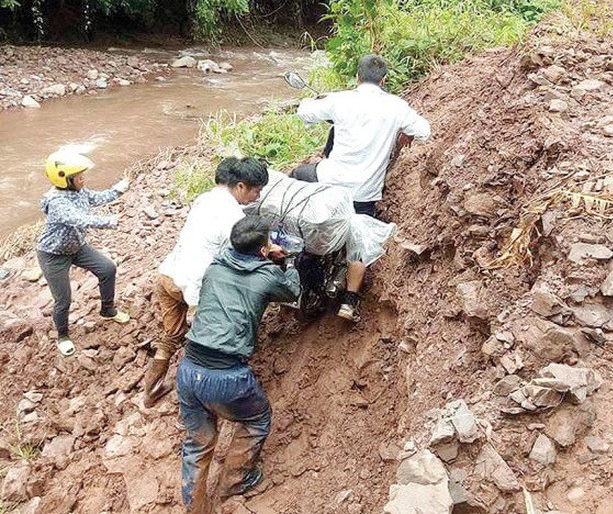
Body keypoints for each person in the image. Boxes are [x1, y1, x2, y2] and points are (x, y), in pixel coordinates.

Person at [291, 53, 430, 321]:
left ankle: (288, 245)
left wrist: (318, 101)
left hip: (329, 181)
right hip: (364, 191)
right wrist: (406, 133)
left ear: (357, 77)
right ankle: (350, 301)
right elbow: (425, 130)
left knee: (297, 176)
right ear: (384, 80)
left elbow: (303, 111)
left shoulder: (341, 99)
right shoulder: (396, 107)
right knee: (361, 239)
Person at [176, 216, 300, 512]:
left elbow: (236, 265)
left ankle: (196, 508)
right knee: (257, 419)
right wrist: (288, 264)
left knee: (196, 445)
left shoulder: (215, 267)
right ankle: (236, 480)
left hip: (189, 369)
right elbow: (291, 292)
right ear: (261, 251)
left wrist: (264, 253)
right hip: (227, 377)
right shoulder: (267, 275)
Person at [143, 157, 270, 408]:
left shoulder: (206, 198)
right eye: (257, 190)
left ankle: (151, 390)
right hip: (196, 286)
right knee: (204, 343)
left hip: (169, 275)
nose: (258, 196)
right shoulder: (234, 217)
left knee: (172, 335)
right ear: (241, 186)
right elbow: (242, 256)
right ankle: (196, 397)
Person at [37, 150, 130, 356]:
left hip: (76, 248)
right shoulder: (57, 201)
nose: (83, 178)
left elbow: (97, 198)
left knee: (107, 269)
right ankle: (62, 335)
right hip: (53, 255)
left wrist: (118, 190)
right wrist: (111, 221)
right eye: (79, 176)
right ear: (65, 180)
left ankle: (107, 310)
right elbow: (79, 219)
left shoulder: (80, 191)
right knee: (63, 300)